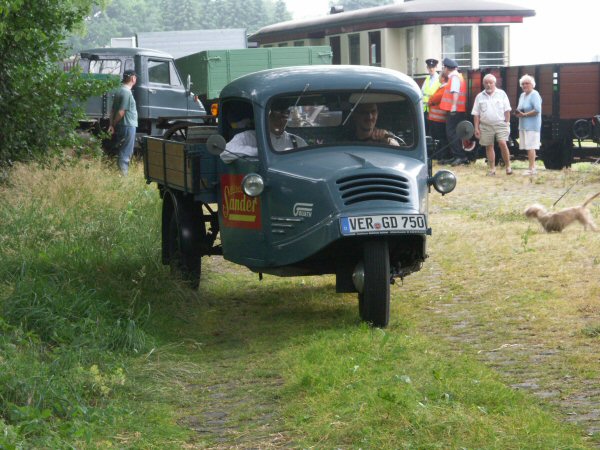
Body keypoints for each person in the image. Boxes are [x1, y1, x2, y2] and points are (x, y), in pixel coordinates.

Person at [221, 103, 307, 163]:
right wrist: (260, 152)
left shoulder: (297, 142)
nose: (280, 120)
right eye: (275, 116)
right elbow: (225, 153)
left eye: (284, 117)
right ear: (266, 117)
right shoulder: (249, 136)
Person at [471, 73, 513, 176]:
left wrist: (507, 123)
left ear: (495, 83)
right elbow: (476, 114)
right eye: (486, 83)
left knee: (502, 143)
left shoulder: (502, 94)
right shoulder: (479, 96)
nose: (488, 85)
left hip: (500, 124)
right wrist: (476, 128)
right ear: (483, 83)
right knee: (489, 146)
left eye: (491, 82)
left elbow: (507, 110)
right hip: (485, 125)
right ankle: (492, 169)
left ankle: (508, 167)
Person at [438, 57, 469, 166]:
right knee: (454, 133)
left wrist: (453, 107)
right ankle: (457, 156)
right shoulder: (457, 77)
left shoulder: (454, 78)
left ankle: (460, 156)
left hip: (454, 111)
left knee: (452, 133)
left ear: (446, 68)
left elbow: (455, 92)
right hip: (457, 110)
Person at [109, 70, 138, 176]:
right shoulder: (127, 92)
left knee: (121, 150)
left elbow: (112, 111)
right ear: (133, 78)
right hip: (128, 125)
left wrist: (112, 124)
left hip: (122, 125)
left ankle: (119, 174)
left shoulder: (118, 90)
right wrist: (114, 124)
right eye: (135, 77)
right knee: (126, 152)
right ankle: (123, 177)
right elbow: (121, 112)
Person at [515, 74, 542, 175]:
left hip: (532, 125)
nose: (524, 85)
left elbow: (537, 110)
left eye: (527, 83)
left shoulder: (535, 94)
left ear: (532, 84)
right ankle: (531, 167)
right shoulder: (522, 95)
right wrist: (518, 113)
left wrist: (524, 115)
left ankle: (532, 169)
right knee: (527, 146)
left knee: (531, 146)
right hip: (523, 125)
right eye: (523, 84)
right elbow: (520, 108)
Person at [427, 73, 450, 160]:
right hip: (436, 118)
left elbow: (433, 99)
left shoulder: (444, 88)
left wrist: (430, 101)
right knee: (437, 138)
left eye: (440, 76)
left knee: (440, 138)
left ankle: (441, 156)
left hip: (439, 119)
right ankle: (438, 155)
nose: (438, 77)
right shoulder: (442, 87)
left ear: (443, 78)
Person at [421, 58, 440, 131]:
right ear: (427, 68)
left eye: (433, 67)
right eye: (429, 67)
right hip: (425, 110)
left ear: (436, 68)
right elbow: (422, 93)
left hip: (434, 110)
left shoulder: (439, 79)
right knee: (425, 130)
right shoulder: (427, 79)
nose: (431, 69)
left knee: (433, 130)